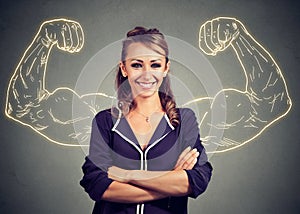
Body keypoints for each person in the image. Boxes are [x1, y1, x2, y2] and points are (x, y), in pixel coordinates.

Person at [79, 26, 213, 214]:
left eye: (155, 64)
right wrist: (171, 180)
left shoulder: (185, 120)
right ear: (124, 68)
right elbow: (97, 184)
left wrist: (128, 175)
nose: (146, 74)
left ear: (166, 68)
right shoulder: (106, 121)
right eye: (136, 64)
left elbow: (197, 180)